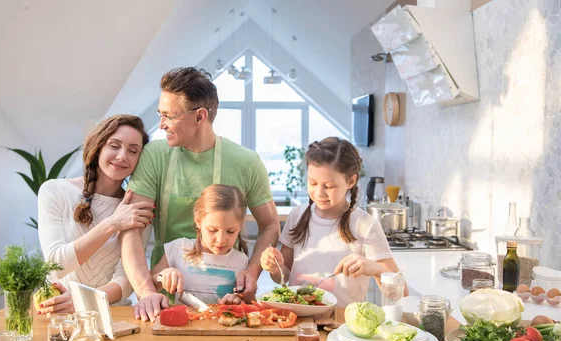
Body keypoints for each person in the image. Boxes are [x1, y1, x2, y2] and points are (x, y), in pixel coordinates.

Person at [120, 67, 279, 321]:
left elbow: (270, 225)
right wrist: (147, 291)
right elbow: (131, 228)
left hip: (226, 302)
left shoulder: (246, 162)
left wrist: (251, 271)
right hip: (164, 295)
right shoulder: (155, 156)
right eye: (160, 115)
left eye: (169, 116)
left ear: (200, 116)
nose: (161, 125)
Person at [260, 137, 408, 307]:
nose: (319, 193)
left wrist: (376, 269)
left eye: (329, 186)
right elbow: (283, 278)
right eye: (312, 183)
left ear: (350, 181)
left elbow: (402, 294)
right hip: (299, 319)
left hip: (342, 323)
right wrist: (274, 267)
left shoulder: (365, 225)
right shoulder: (297, 216)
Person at [37, 114, 158, 315]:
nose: (122, 156)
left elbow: (125, 280)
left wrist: (81, 300)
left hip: (111, 315)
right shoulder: (54, 190)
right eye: (114, 145)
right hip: (59, 314)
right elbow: (56, 264)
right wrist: (112, 223)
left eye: (133, 151)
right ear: (98, 146)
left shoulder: (135, 208)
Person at [150, 184, 249, 305]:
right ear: (198, 221)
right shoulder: (178, 248)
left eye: (230, 231)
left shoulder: (241, 260)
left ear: (240, 226)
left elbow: (249, 303)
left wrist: (240, 301)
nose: (221, 239)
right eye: (212, 230)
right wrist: (162, 276)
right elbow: (148, 286)